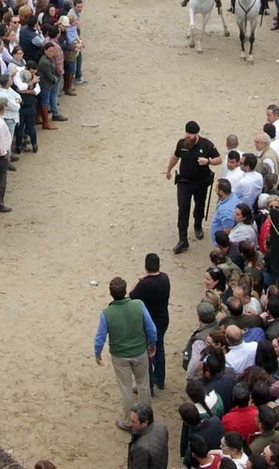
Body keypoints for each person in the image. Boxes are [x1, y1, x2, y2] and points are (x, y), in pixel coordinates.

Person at [95, 277, 159, 425]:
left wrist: (97, 354)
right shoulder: (138, 305)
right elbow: (151, 328)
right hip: (139, 352)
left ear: (111, 293)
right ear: (125, 291)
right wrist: (152, 344)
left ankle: (129, 422)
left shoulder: (107, 313)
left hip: (120, 356)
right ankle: (146, 418)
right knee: (143, 384)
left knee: (126, 388)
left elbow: (100, 337)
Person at [166, 121, 221, 254]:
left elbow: (219, 159)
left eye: (191, 134)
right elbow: (175, 156)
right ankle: (183, 239)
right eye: (187, 133)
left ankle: (198, 225)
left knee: (199, 205)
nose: (188, 137)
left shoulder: (206, 144)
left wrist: (208, 161)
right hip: (184, 183)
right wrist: (169, 169)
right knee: (183, 209)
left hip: (200, 183)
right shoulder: (182, 143)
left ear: (197, 134)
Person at [132, 254, 173, 392]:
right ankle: (159, 380)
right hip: (163, 319)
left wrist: (139, 281)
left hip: (149, 322)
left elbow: (131, 296)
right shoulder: (165, 278)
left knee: (147, 353)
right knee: (159, 348)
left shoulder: (144, 284)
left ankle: (148, 385)